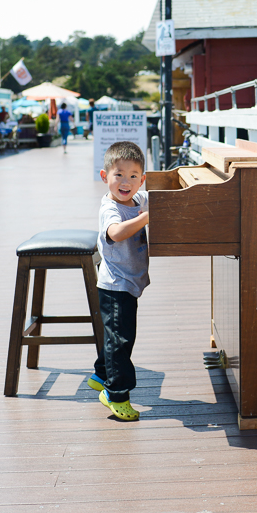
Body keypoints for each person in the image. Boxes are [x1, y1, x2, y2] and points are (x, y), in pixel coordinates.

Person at [87, 141, 150, 421]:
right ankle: (116, 394)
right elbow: (115, 232)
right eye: (119, 175)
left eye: (134, 176)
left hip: (128, 283)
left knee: (116, 337)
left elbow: (158, 197)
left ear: (142, 179)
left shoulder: (138, 199)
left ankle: (101, 374)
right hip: (115, 286)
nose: (126, 182)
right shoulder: (110, 209)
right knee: (121, 340)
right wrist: (149, 217)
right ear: (105, 177)